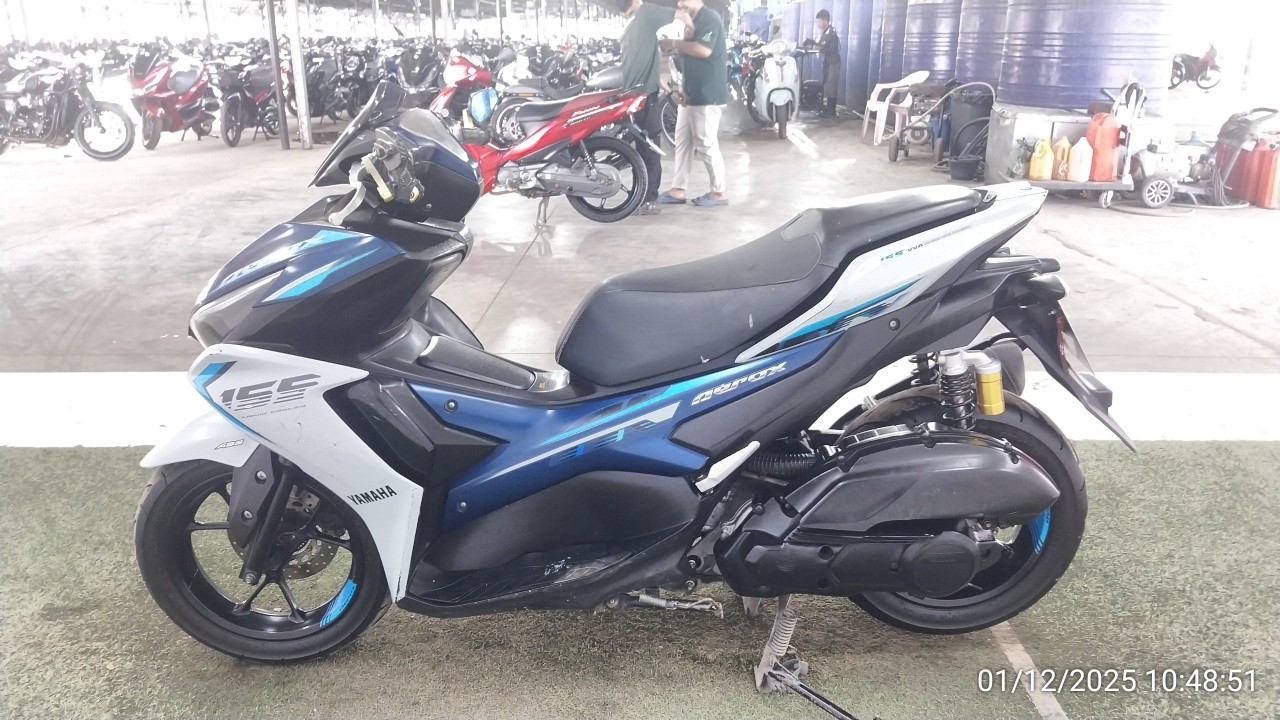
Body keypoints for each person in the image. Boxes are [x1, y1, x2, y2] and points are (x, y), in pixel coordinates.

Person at [657, 0, 729, 207]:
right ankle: (678, 189)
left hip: (707, 94)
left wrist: (674, 43)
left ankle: (719, 192)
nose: (681, 3)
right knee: (683, 141)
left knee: (706, 142)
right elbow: (685, 54)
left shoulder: (709, 19)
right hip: (690, 94)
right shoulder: (692, 21)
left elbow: (703, 50)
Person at [616, 0, 676, 216]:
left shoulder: (631, 24)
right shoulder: (644, 14)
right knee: (648, 148)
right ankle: (646, 198)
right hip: (642, 97)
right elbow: (679, 13)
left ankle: (642, 196)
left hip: (634, 95)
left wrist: (663, 85)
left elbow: (643, 61)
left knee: (642, 148)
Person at [814, 9, 840, 118]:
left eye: (819, 21)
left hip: (833, 62)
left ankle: (831, 111)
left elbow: (826, 47)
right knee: (827, 84)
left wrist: (819, 47)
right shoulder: (825, 33)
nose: (818, 24)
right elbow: (819, 45)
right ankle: (828, 109)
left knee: (831, 85)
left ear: (825, 20)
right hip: (828, 62)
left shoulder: (831, 32)